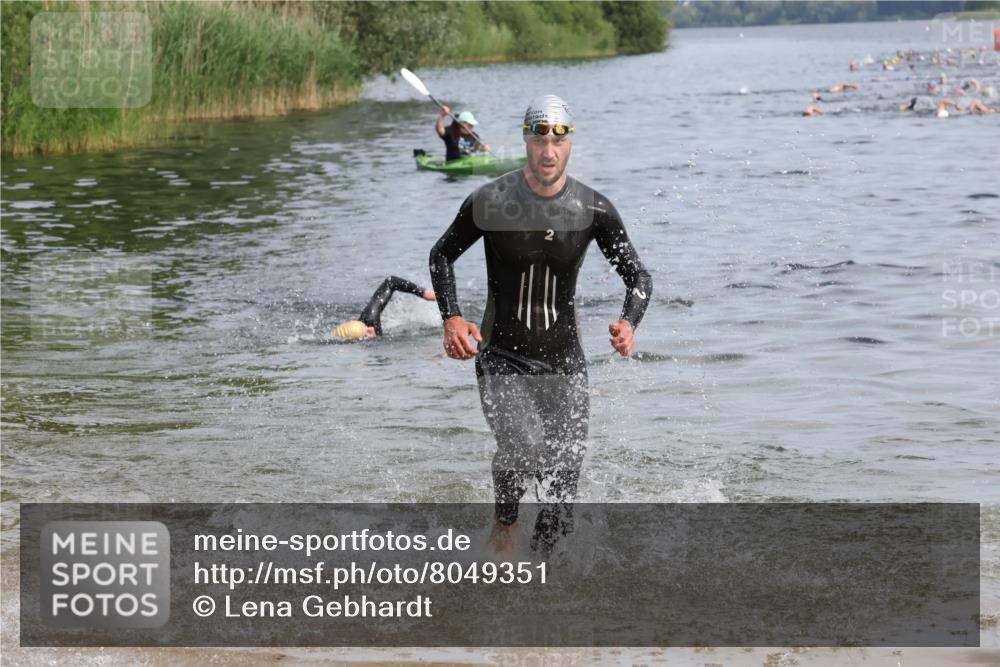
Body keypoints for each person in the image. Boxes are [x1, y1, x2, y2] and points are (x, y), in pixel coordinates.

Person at [428, 94, 652, 558]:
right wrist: (450, 316)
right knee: (525, 448)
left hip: (566, 362)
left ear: (570, 142)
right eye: (538, 139)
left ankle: (542, 583)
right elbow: (442, 254)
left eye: (558, 139)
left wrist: (629, 323)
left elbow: (639, 278)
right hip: (500, 357)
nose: (548, 151)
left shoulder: (593, 209)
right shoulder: (491, 201)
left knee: (562, 490)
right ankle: (504, 529)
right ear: (526, 140)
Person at [333, 276, 435, 339]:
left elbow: (391, 281)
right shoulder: (371, 326)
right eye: (367, 332)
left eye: (367, 328)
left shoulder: (369, 320)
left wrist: (424, 293)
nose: (370, 329)